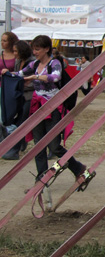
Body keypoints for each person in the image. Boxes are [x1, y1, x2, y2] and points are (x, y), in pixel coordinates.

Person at [5, 35, 86, 180]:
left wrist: (34, 77)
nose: (35, 52)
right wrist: (7, 74)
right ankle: (41, 177)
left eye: (38, 49)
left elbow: (55, 77)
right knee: (38, 144)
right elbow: (19, 74)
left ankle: (77, 167)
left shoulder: (54, 63)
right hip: (37, 107)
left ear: (46, 49)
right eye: (34, 49)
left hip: (53, 108)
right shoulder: (34, 65)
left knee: (54, 146)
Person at [2, 40, 34, 160]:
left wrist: (21, 83)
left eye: (16, 51)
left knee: (21, 123)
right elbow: (17, 76)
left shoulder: (32, 63)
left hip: (30, 96)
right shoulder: (18, 61)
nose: (14, 53)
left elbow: (32, 81)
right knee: (19, 122)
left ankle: (14, 150)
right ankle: (22, 142)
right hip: (21, 96)